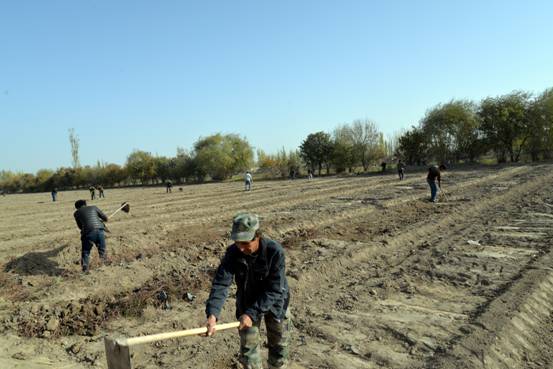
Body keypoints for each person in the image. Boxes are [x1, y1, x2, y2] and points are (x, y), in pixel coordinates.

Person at [205, 213, 291, 369]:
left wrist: (252, 313)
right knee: (248, 353)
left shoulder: (274, 252)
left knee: (279, 348)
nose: (241, 248)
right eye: (237, 243)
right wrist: (213, 314)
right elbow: (221, 283)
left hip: (275, 302)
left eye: (245, 243)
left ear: (257, 236)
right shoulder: (233, 253)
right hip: (247, 300)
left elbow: (275, 289)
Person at [73, 199, 109, 273]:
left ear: (77, 207)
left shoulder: (76, 213)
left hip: (88, 233)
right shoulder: (94, 207)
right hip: (100, 231)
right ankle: (105, 265)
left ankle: (85, 268)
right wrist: (100, 221)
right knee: (102, 250)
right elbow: (105, 218)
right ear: (85, 204)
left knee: (86, 252)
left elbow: (80, 226)